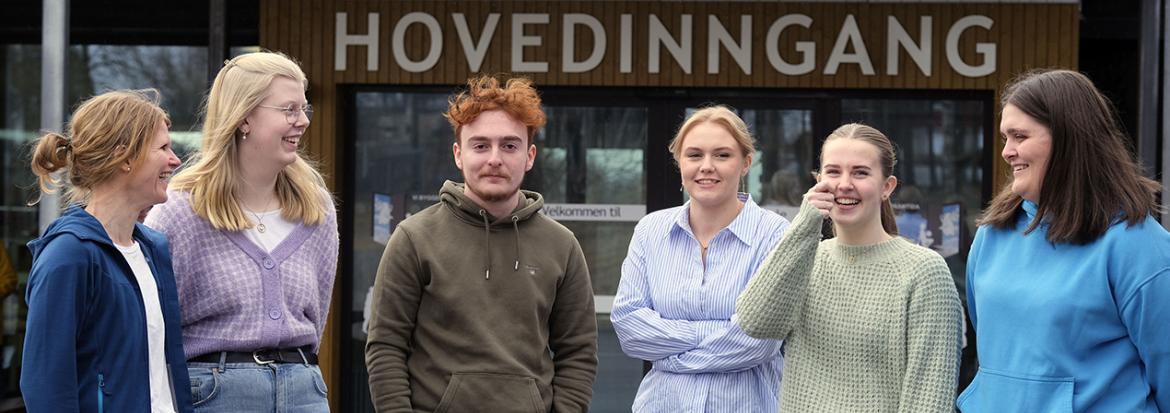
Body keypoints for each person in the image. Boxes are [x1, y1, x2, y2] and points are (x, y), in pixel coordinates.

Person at [365, 75, 598, 412]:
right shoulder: (414, 237)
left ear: (529, 155)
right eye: (480, 145)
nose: (494, 158)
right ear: (459, 154)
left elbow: (578, 352)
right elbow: (385, 346)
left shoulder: (562, 245)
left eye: (509, 145)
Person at [957, 69, 1170, 412]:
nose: (1007, 152)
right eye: (1004, 138)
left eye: (1020, 136)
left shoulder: (1138, 245)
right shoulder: (992, 234)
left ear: (1070, 139)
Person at [145, 52, 338, 412]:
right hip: (214, 395)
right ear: (245, 116)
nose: (303, 121)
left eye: (304, 108)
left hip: (304, 392)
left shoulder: (317, 208)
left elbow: (318, 319)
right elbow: (156, 331)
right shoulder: (179, 210)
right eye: (289, 109)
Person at [736, 123, 962, 412]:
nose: (844, 183)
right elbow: (755, 322)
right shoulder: (803, 258)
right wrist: (805, 226)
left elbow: (928, 399)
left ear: (887, 187)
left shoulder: (924, 271)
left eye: (860, 172)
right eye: (833, 171)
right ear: (818, 180)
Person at [23, 89, 191, 412]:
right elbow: (45, 387)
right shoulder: (68, 255)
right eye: (163, 148)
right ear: (125, 157)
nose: (175, 160)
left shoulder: (152, 249)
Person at [611, 106, 788, 412]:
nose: (707, 166)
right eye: (694, 155)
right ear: (679, 161)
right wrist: (721, 332)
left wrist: (670, 349)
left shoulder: (774, 234)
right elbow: (629, 327)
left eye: (722, 155)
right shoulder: (650, 231)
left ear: (746, 163)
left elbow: (760, 340)